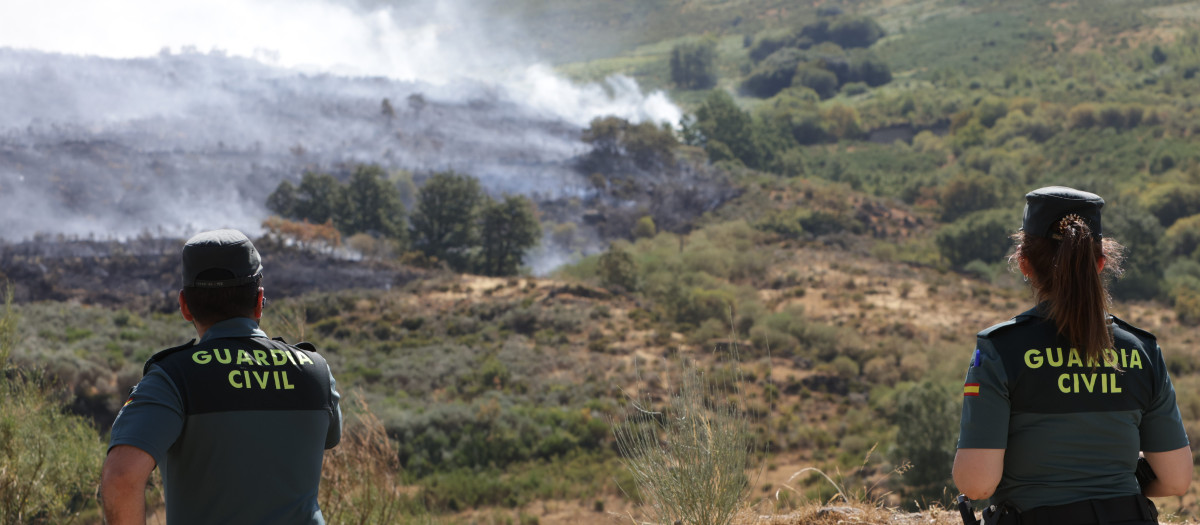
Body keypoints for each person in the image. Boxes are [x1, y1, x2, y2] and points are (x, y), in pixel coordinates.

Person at [953, 187, 1191, 524]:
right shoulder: (1142, 351)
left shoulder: (1000, 349)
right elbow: (1177, 480)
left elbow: (977, 484)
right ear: (1100, 263)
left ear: (1024, 262)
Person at [100, 229, 342, 525]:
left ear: (185, 306)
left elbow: (122, 477)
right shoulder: (315, 370)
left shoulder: (173, 378)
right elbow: (329, 439)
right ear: (259, 301)